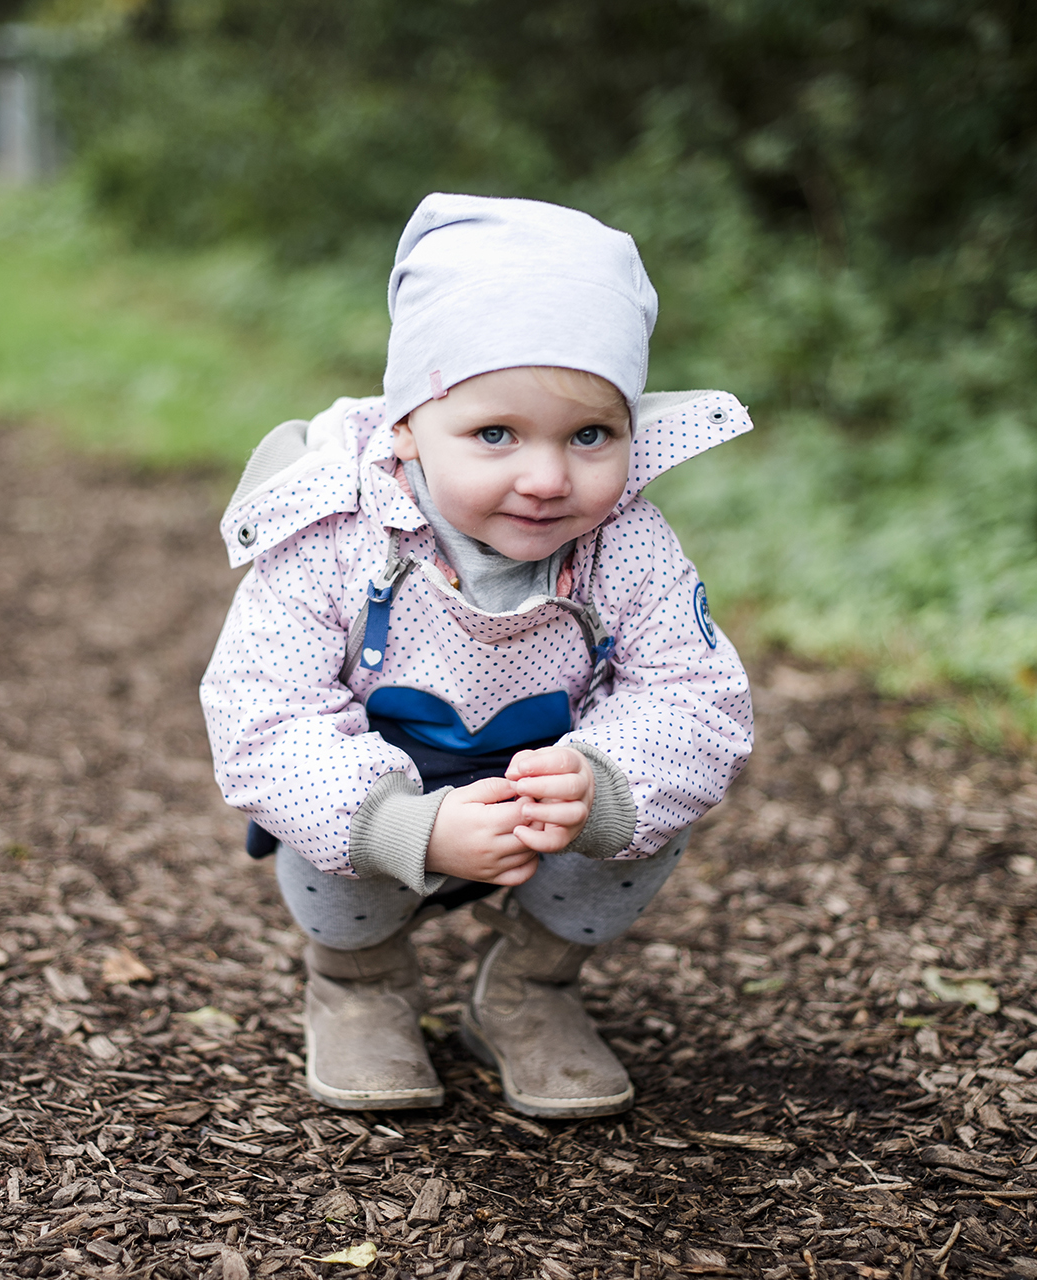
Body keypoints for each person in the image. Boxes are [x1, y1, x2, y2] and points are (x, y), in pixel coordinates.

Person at [200, 193, 754, 1119]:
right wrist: (400, 827)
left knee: (650, 800)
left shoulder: (625, 541)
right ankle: (358, 983)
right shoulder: (332, 534)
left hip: (545, 786)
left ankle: (530, 988)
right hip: (378, 781)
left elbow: (695, 696)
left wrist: (600, 783)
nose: (546, 478)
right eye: (496, 434)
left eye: (590, 436)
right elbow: (265, 711)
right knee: (326, 822)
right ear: (407, 425)